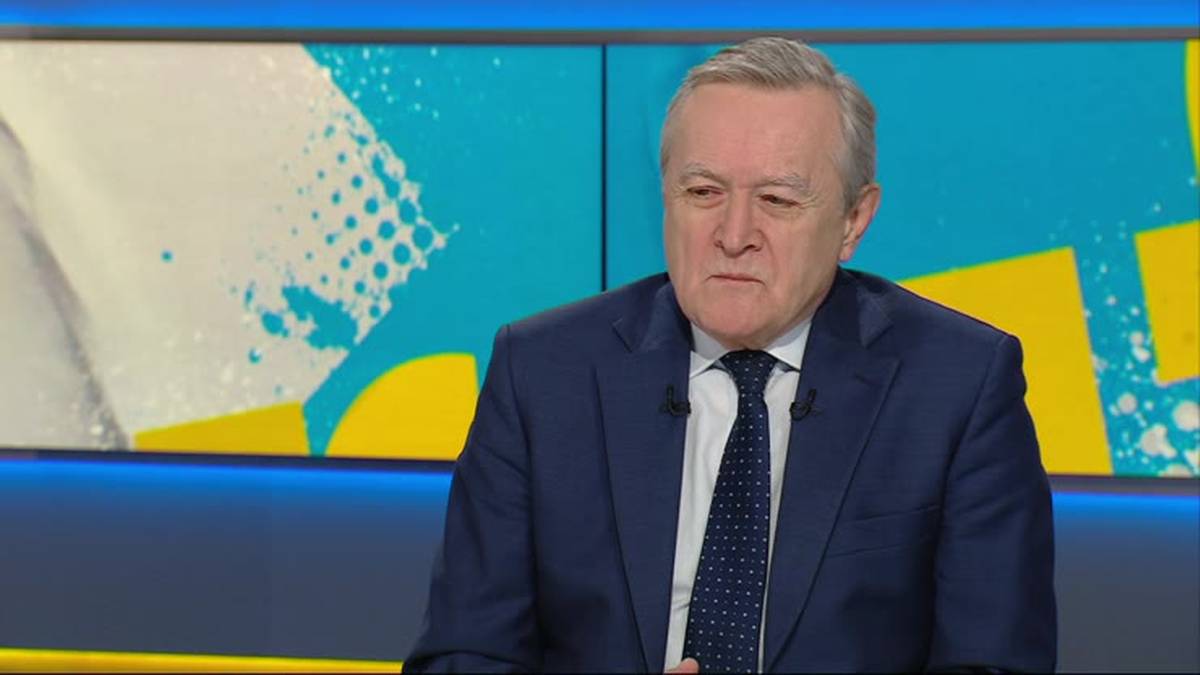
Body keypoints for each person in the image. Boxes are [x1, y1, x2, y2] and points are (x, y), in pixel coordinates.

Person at [406, 37, 1056, 673]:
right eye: (703, 193)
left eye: (777, 200)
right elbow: (463, 655)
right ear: (666, 196)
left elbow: (994, 662)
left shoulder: (959, 386)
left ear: (854, 221)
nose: (735, 234)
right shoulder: (542, 374)